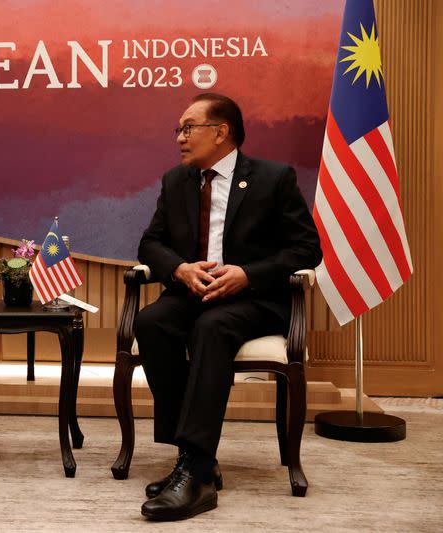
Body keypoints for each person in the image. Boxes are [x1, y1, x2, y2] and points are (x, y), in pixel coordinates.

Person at [134, 93, 322, 521]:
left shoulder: (273, 179)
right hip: (192, 294)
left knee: (213, 328)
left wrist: (248, 273)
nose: (179, 137)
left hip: (254, 300)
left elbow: (306, 248)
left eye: (188, 128)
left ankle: (197, 474)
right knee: (152, 322)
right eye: (177, 130)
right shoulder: (176, 181)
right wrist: (180, 270)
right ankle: (189, 454)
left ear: (221, 132)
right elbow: (150, 243)